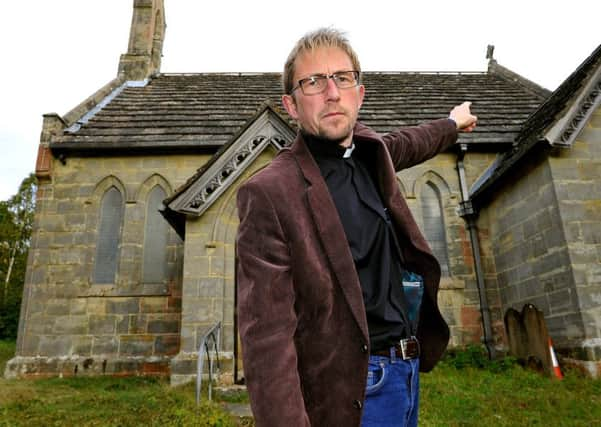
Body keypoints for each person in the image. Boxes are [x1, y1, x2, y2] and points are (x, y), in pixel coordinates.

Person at [236, 28, 477, 427]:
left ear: (359, 94)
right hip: (355, 389)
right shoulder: (268, 193)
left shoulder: (370, 151)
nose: (331, 93)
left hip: (408, 371)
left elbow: (410, 142)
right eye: (313, 82)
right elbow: (267, 339)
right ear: (291, 106)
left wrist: (452, 124)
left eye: (342, 78)